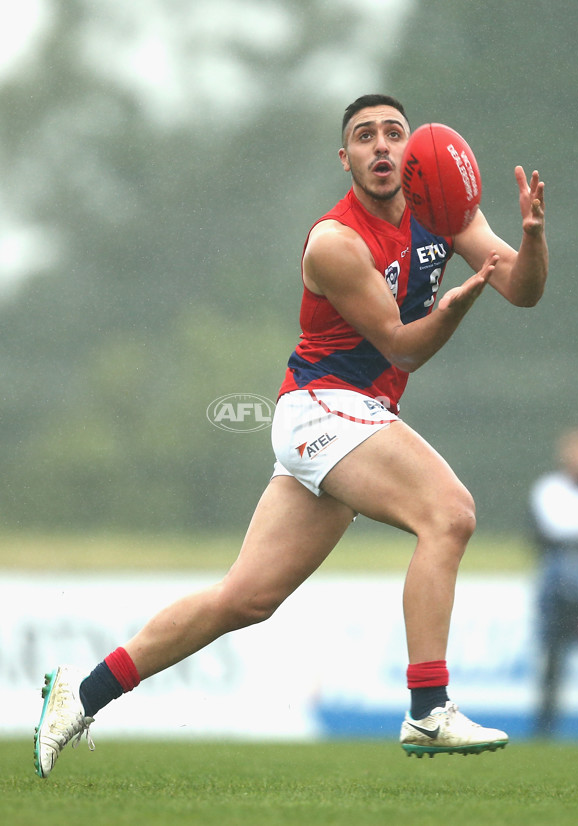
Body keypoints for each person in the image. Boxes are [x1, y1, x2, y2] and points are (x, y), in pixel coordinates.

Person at [34, 93, 548, 776]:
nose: (383, 145)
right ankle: (429, 707)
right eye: (365, 137)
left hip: (352, 417)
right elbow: (402, 347)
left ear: (412, 151)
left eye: (394, 132)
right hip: (322, 408)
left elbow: (524, 288)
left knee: (244, 599)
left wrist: (534, 237)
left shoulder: (442, 207)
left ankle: (81, 692)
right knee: (449, 513)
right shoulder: (336, 242)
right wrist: (454, 306)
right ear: (347, 159)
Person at [530, 427, 578, 737]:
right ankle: (544, 731)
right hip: (557, 589)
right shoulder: (549, 488)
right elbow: (546, 532)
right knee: (552, 663)